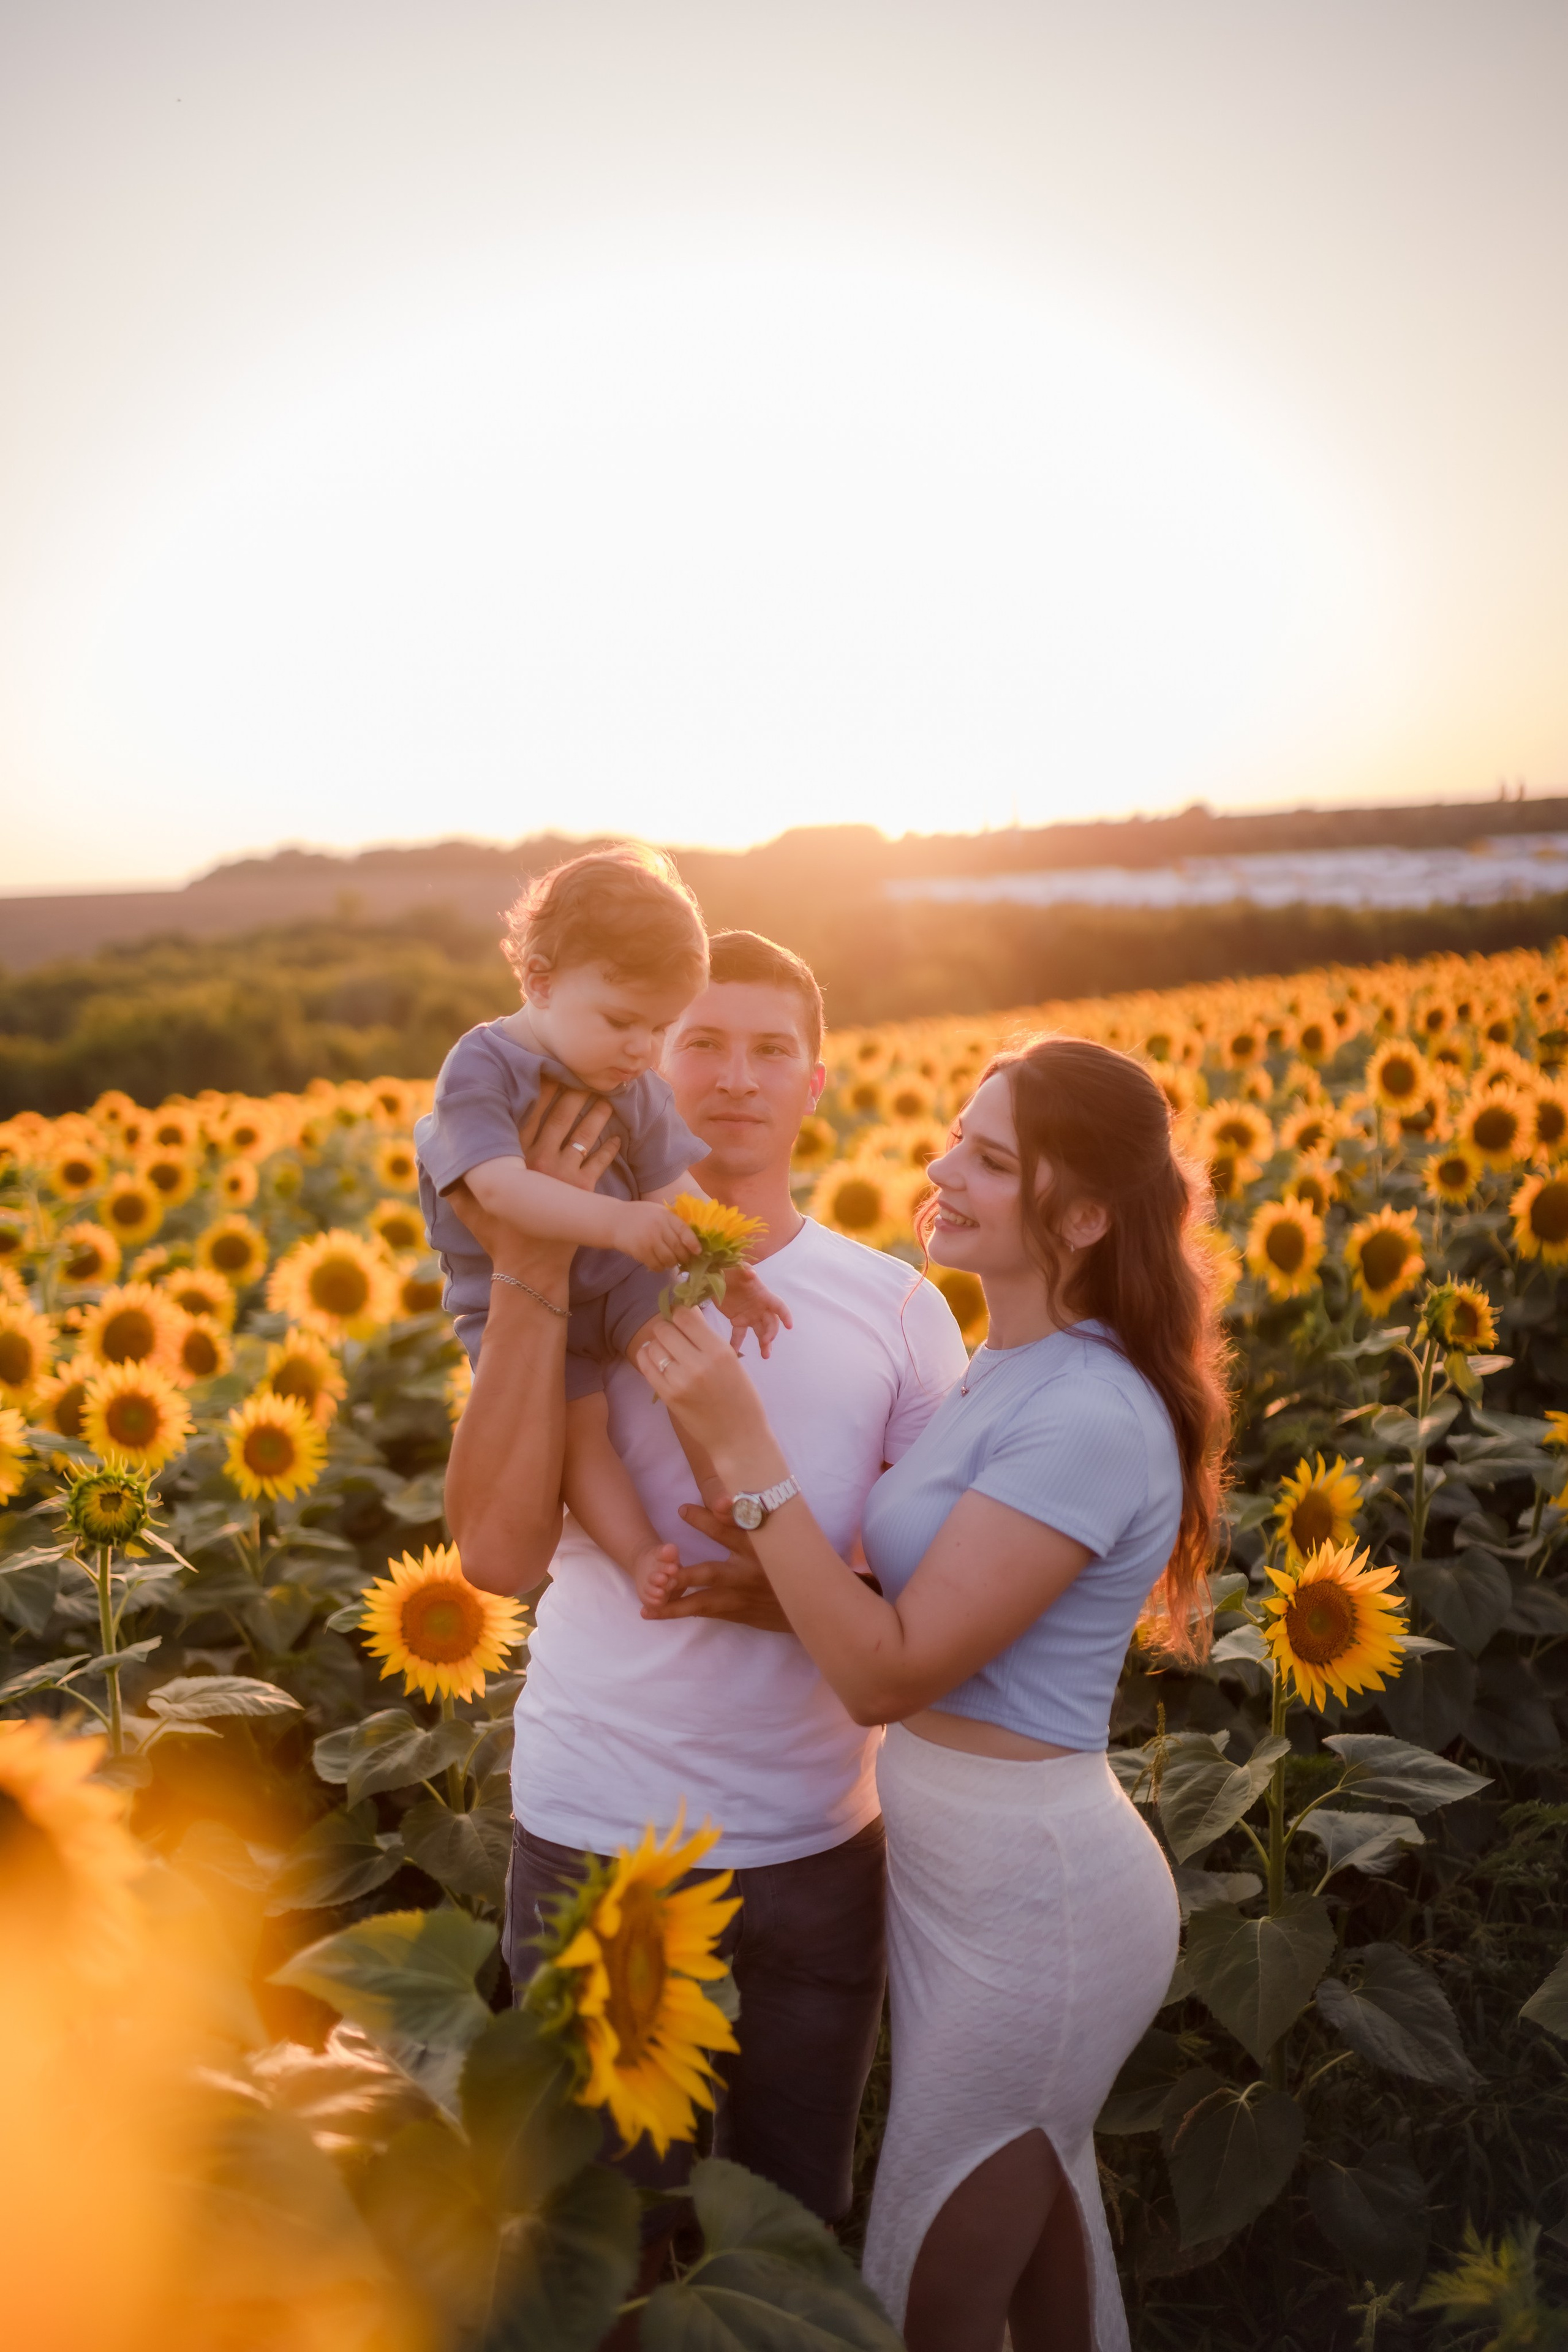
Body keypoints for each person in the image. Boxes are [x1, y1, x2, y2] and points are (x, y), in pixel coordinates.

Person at [634, 1035, 1229, 2352]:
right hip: (973, 1888)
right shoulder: (1006, 1364)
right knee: (1041, 2289)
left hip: (1040, 1913)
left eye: (990, 1157)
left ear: (1080, 1215)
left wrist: (746, 1452)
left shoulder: (1085, 1411)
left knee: (924, 2298)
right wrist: (778, 1588)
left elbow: (888, 1673)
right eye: (955, 1134)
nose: (940, 1165)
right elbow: (907, 1621)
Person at [443, 927, 969, 2231]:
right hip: (600, 1835)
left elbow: (945, 1598)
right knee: (603, 2251)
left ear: (815, 1083)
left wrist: (791, 1584)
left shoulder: (895, 1311)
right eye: (698, 1044)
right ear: (636, 1074)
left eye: (768, 1049)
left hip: (814, 1843)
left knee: (787, 2237)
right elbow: (497, 1559)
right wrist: (536, 1264)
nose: (733, 1076)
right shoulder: (569, 1272)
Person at [417, 843, 785, 1604]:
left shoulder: (629, 1079)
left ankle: (725, 1491)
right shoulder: (481, 1067)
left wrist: (730, 1265)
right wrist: (618, 1224)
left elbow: (673, 1186)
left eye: (660, 1029)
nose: (642, 1050)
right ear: (539, 981)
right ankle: (638, 1553)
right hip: (506, 1296)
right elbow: (501, 1192)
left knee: (680, 1346)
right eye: (622, 1021)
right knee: (577, 1434)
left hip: (618, 1281)